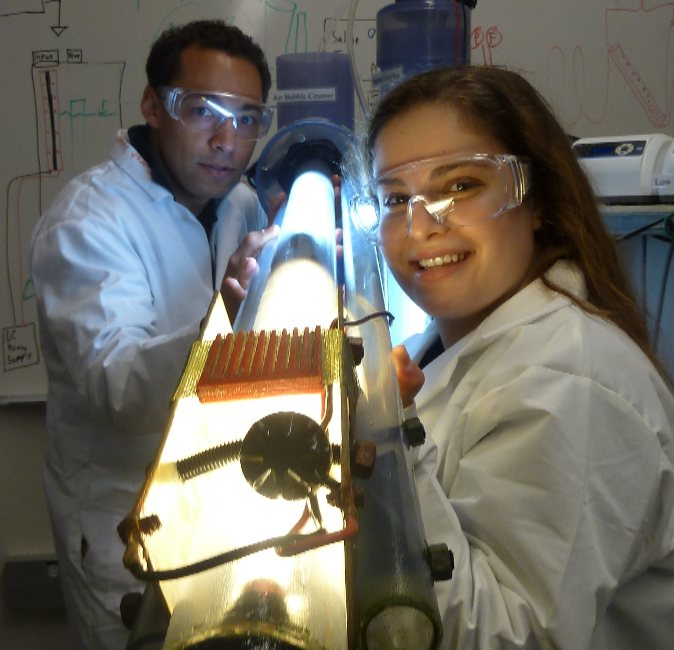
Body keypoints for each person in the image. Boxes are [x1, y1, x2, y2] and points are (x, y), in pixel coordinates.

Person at [345, 66, 674, 649]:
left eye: (461, 186)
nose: (421, 227)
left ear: (537, 199)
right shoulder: (452, 340)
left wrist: (385, 437)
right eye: (396, 198)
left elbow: (504, 637)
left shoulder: (572, 382)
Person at [30, 20, 283, 650]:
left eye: (248, 119)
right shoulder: (89, 223)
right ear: (153, 105)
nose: (228, 140)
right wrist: (221, 310)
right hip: (123, 527)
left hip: (220, 506)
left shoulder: (241, 204)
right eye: (202, 110)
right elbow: (119, 392)